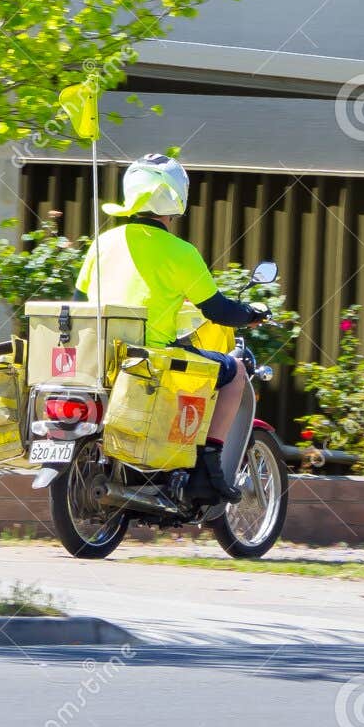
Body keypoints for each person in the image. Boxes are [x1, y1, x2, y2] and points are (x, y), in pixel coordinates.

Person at [75, 154, 267, 502]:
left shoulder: (102, 243)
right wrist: (251, 314)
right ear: (178, 198)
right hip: (154, 358)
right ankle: (208, 466)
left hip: (99, 357)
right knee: (235, 371)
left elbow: (78, 303)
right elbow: (218, 310)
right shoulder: (181, 252)